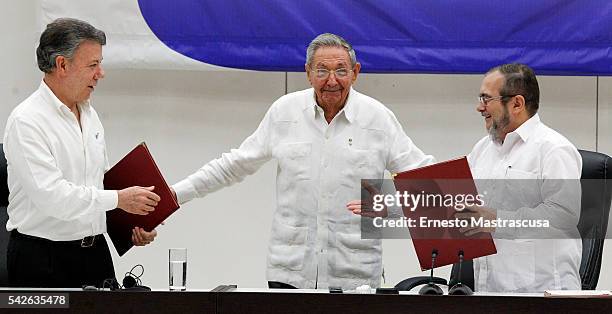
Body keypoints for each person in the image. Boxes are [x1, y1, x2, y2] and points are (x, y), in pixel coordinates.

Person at [172, 33, 434, 290]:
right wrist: (175, 195)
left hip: (355, 277)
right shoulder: (284, 112)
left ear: (355, 72)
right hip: (289, 273)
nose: (332, 81)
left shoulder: (378, 118)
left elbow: (432, 186)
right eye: (322, 71)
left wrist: (388, 205)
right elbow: (234, 165)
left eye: (341, 71)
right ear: (308, 73)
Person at [3, 18, 161, 288]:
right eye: (93, 65)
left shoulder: (89, 114)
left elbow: (101, 183)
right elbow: (53, 197)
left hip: (95, 255)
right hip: (43, 259)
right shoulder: (27, 121)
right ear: (62, 65)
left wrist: (130, 225)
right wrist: (120, 199)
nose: (101, 73)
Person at [455, 63, 582, 292]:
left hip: (542, 295)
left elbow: (563, 216)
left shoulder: (554, 149)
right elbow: (461, 204)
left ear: (517, 103)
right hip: (488, 291)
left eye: (486, 99)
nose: (479, 107)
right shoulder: (482, 149)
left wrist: (496, 220)